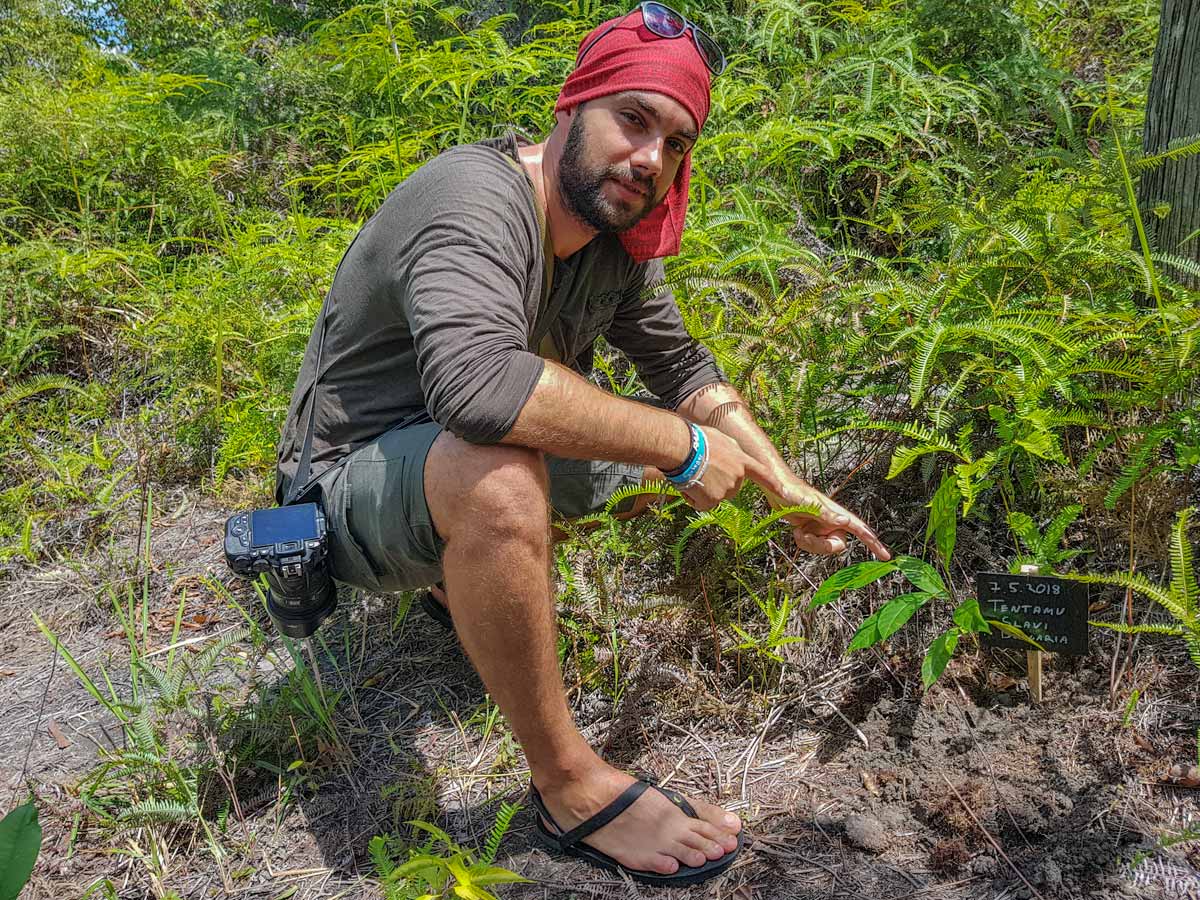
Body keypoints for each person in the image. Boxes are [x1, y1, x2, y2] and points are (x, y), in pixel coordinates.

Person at [275, 2, 890, 886]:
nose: (650, 159)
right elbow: (479, 387)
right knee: (500, 470)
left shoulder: (613, 239)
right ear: (573, 106)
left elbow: (685, 369)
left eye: (676, 143)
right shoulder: (473, 196)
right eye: (632, 119)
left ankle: (466, 587)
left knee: (607, 449)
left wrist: (782, 484)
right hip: (341, 489)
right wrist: (680, 446)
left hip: (440, 458)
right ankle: (568, 783)